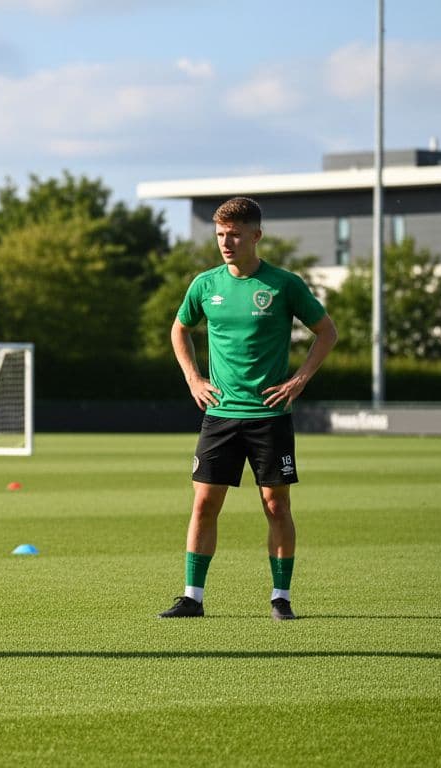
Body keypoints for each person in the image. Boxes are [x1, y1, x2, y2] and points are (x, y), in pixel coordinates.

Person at [159, 196, 337, 621]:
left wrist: (300, 379)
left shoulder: (284, 284)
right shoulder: (205, 284)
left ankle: (281, 597)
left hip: (270, 417)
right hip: (220, 415)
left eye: (235, 234)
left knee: (276, 506)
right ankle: (192, 598)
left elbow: (326, 331)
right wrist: (193, 379)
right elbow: (180, 328)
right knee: (204, 504)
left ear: (256, 236)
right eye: (221, 234)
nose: (226, 241)